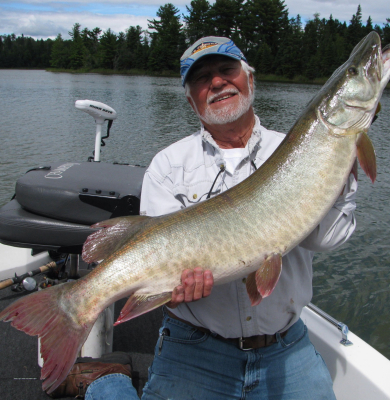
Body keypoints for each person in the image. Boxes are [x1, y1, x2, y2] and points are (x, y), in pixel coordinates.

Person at [85, 36, 357, 399]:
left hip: (286, 346)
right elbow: (158, 262)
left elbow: (326, 239)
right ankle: (106, 382)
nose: (216, 82)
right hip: (194, 348)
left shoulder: (299, 148)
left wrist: (342, 168)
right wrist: (173, 292)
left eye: (227, 69)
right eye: (201, 78)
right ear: (189, 97)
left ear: (249, 78)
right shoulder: (168, 165)